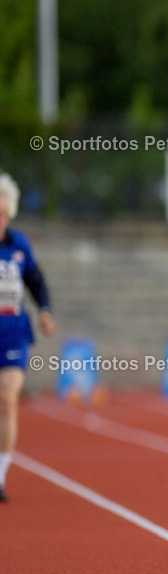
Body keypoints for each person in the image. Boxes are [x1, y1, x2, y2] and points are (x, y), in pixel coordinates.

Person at [0, 174, 56, 502]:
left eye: (2, 213)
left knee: (7, 401)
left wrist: (45, 310)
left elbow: (36, 281)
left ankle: (1, 475)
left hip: (13, 334)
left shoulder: (19, 245)